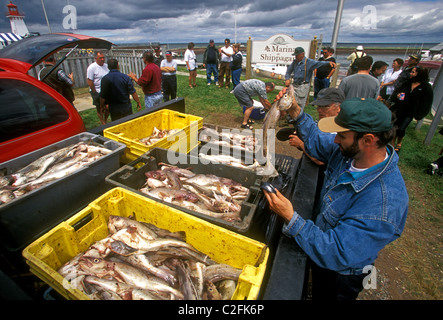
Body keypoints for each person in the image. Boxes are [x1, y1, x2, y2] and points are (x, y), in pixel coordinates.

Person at [264, 96, 409, 300]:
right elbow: (316, 139)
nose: (335, 140)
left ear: (368, 140)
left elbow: (337, 253)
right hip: (321, 248)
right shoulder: (350, 153)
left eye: (341, 135)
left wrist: (291, 217)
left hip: (341, 274)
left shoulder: (384, 203)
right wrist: (295, 110)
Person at [278, 88, 344, 166]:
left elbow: (320, 160)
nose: (319, 110)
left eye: (325, 106)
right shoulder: (321, 124)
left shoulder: (341, 132)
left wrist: (301, 144)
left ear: (339, 108)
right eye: (318, 106)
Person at [387, 66, 433, 153]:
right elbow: (396, 92)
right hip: (399, 108)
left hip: (410, 112)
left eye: (413, 72)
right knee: (393, 127)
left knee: (401, 129)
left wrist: (419, 115)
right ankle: (392, 145)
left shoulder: (426, 87)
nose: (410, 74)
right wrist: (397, 96)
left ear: (419, 74)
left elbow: (426, 102)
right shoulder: (407, 83)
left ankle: (399, 142)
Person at [285, 47, 336, 111]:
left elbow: (319, 63)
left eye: (297, 55)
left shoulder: (309, 62)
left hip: (303, 85)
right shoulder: (295, 62)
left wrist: (329, 63)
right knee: (291, 101)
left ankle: (299, 117)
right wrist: (287, 78)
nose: (295, 57)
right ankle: (291, 115)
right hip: (295, 84)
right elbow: (289, 70)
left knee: (300, 103)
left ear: (302, 54)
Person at [87, 51, 109, 124]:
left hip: (106, 90)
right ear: (96, 58)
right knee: (100, 108)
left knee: (107, 107)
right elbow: (90, 81)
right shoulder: (91, 68)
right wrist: (94, 92)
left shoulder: (106, 66)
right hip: (97, 90)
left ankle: (105, 120)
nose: (102, 59)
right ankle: (103, 123)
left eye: (103, 57)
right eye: (100, 58)